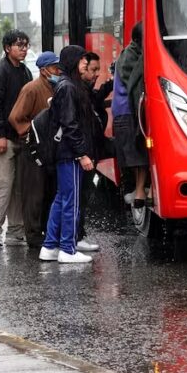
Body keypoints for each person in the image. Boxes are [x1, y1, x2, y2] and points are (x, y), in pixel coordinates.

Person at [39, 45, 97, 263]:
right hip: (70, 153)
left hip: (64, 152)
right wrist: (82, 154)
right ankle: (68, 249)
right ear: (74, 61)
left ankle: (50, 246)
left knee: (61, 198)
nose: (85, 64)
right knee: (71, 201)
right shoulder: (69, 87)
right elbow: (70, 125)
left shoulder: (65, 85)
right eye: (83, 60)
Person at [0, 29, 32, 248]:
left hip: (20, 136)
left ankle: (15, 231)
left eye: (25, 45)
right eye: (19, 45)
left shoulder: (26, 72)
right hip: (0, 136)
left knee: (19, 185)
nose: (23, 49)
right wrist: (0, 135)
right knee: (4, 183)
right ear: (7, 48)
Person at [8, 51, 60, 248]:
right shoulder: (31, 89)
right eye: (55, 67)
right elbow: (15, 117)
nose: (58, 71)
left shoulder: (56, 87)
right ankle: (33, 235)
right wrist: (32, 130)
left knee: (49, 191)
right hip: (32, 147)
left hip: (50, 147)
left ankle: (47, 230)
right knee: (33, 194)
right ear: (44, 70)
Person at [75, 51, 113, 252]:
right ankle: (76, 236)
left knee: (84, 193)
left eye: (99, 70)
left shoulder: (87, 90)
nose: (96, 74)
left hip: (92, 150)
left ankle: (78, 235)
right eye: (93, 70)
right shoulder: (77, 91)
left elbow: (98, 98)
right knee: (80, 194)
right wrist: (84, 154)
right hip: (85, 152)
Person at [111, 22, 149, 208]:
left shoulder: (133, 53)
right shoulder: (130, 57)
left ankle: (139, 191)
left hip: (127, 112)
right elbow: (135, 83)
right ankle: (139, 191)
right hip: (127, 112)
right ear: (137, 40)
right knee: (137, 152)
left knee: (137, 152)